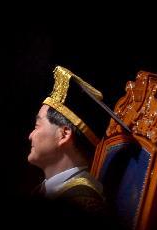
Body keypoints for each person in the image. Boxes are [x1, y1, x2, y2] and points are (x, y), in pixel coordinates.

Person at [28, 65, 107, 214]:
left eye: (37, 126)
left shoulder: (82, 204)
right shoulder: (42, 191)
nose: (30, 135)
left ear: (63, 135)